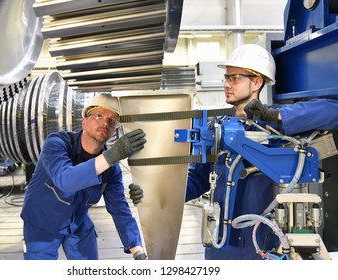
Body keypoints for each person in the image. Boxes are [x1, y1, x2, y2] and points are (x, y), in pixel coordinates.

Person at [129, 43, 338, 260]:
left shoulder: (278, 124)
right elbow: (197, 181)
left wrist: (273, 115)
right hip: (222, 243)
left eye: (235, 78)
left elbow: (333, 111)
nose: (227, 84)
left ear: (257, 81)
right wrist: (155, 194)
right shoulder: (217, 128)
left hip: (263, 244)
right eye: (226, 78)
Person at [21, 93, 148, 260]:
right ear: (84, 121)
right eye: (99, 116)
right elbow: (65, 180)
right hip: (41, 222)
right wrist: (113, 155)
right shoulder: (57, 143)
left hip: (77, 223)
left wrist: (137, 251)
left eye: (112, 121)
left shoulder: (111, 168)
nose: (105, 123)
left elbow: (119, 209)